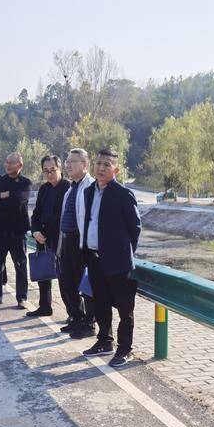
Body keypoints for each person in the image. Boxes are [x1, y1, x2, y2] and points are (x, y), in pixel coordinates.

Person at [81, 148, 141, 368]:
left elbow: (135, 228)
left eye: (107, 164)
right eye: (98, 163)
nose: (101, 168)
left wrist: (124, 252)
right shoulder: (89, 191)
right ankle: (105, 341)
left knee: (125, 308)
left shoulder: (123, 194)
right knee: (100, 303)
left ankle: (125, 349)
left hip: (118, 261)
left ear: (116, 169)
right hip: (94, 258)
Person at [0, 152, 33, 309]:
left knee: (20, 264)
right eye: (6, 162)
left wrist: (1, 197)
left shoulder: (25, 182)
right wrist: (2, 196)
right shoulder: (0, 180)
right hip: (0, 229)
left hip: (17, 231)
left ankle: (22, 298)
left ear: (20, 165)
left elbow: (20, 198)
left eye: (11, 162)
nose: (7, 165)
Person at [59, 148, 95, 339]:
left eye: (73, 161)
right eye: (67, 161)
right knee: (68, 282)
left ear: (85, 164)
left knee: (85, 285)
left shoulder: (90, 187)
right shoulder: (71, 188)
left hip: (82, 243)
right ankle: (77, 318)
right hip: (67, 241)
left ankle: (89, 324)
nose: (68, 165)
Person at [28, 154, 69, 316]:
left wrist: (43, 232)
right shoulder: (44, 188)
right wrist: (35, 231)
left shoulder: (68, 187)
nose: (49, 174)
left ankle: (74, 313)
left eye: (53, 170)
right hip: (42, 237)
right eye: (46, 171)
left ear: (60, 169)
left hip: (60, 238)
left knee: (65, 278)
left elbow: (60, 216)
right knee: (43, 275)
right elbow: (36, 213)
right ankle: (45, 307)